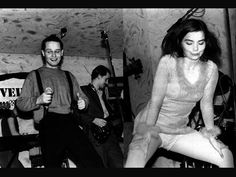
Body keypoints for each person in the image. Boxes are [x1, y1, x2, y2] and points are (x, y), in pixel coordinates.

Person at [124, 18, 234, 168]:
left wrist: (211, 135)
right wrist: (148, 132)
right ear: (180, 42)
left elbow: (206, 104)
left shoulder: (211, 69)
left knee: (225, 156)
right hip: (153, 126)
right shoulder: (168, 62)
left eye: (200, 42)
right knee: (134, 164)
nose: (196, 48)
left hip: (179, 130)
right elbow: (156, 102)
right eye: (189, 42)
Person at [16, 34, 104, 168]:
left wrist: (83, 103)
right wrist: (38, 100)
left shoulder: (69, 76)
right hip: (49, 125)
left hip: (70, 123)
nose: (53, 55)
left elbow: (83, 97)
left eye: (57, 51)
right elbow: (20, 103)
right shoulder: (34, 76)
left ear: (62, 53)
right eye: (49, 51)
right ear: (43, 53)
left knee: (94, 163)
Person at [79, 65, 124, 168]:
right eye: (106, 79)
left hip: (110, 137)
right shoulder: (83, 90)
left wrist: (102, 99)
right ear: (99, 76)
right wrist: (93, 120)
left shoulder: (102, 93)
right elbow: (77, 114)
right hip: (96, 138)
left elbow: (106, 114)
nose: (107, 83)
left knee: (119, 164)